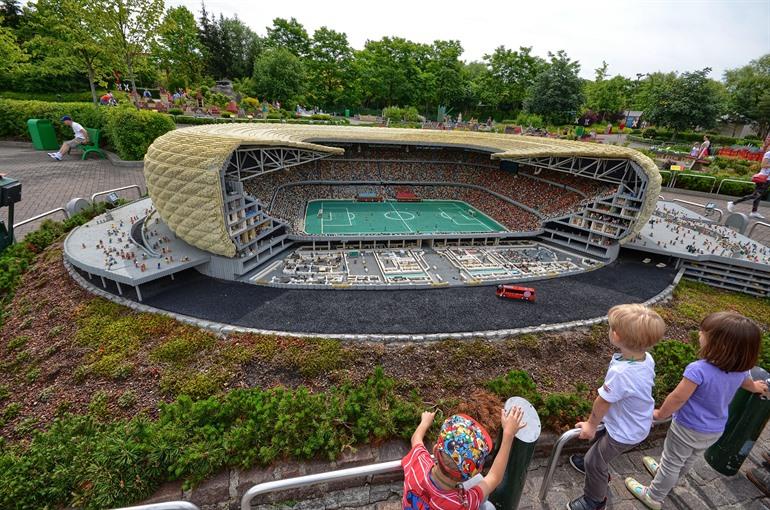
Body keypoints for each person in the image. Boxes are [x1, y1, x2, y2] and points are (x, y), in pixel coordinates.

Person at [624, 311, 767, 510]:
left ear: (719, 345)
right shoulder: (741, 369)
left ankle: (654, 495)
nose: (699, 334)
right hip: (714, 430)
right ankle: (669, 479)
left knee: (671, 461)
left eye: (703, 333)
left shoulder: (698, 370)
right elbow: (748, 383)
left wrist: (660, 414)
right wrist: (756, 388)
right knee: (688, 459)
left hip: (687, 427)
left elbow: (678, 397)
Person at [567, 304, 666, 510]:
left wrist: (590, 426)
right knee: (598, 454)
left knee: (596, 461)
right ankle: (593, 468)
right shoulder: (645, 358)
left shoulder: (622, 374)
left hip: (625, 431)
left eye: (611, 328)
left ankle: (594, 500)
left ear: (617, 336)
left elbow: (603, 401)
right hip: (629, 421)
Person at [402, 408, 526, 510]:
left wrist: (425, 422)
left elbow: (416, 439)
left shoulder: (417, 462)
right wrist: (508, 434)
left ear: (435, 450)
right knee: (488, 508)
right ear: (469, 476)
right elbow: (494, 477)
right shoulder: (461, 504)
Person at [728, 150, 770, 219]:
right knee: (756, 195)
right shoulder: (768, 153)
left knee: (759, 196)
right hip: (763, 178)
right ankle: (733, 203)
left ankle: (754, 212)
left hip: (768, 179)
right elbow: (763, 165)